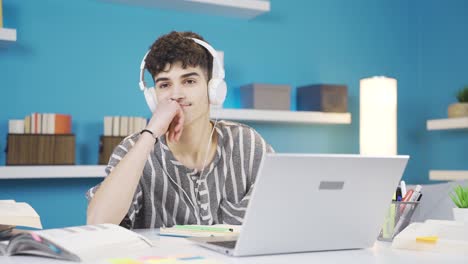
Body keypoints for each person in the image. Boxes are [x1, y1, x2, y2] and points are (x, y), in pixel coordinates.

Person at [86, 31, 274, 229]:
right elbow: (98, 223)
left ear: (213, 88)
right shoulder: (133, 149)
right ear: (153, 96)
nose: (176, 94)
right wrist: (150, 134)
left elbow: (284, 211)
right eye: (165, 84)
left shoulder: (247, 144)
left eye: (189, 81)